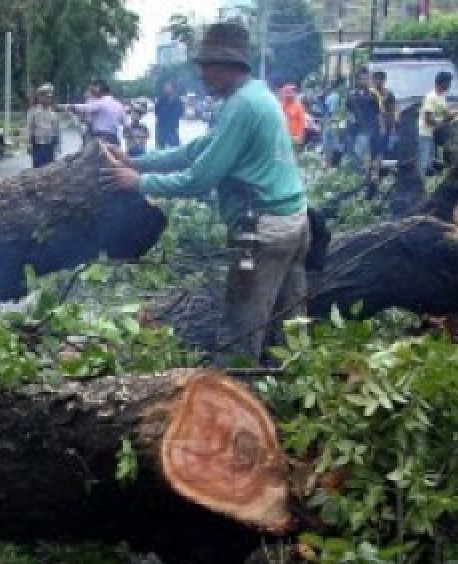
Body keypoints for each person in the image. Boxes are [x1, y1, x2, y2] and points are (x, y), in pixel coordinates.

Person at [100, 23, 309, 368]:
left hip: (262, 230)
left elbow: (199, 178)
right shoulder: (253, 96)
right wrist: (134, 162)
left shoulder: (243, 106)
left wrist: (138, 182)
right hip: (293, 222)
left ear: (230, 66)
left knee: (241, 328)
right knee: (289, 324)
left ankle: (232, 404)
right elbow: (195, 150)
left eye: (207, 66)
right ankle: (291, 393)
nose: (202, 74)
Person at [61, 80, 125, 147]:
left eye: (93, 89)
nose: (92, 92)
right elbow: (124, 123)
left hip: (100, 138)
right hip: (114, 138)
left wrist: (67, 106)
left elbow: (85, 108)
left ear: (98, 89)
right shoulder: (119, 104)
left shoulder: (100, 103)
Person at [346, 67, 380, 173]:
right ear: (358, 80)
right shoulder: (351, 95)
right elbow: (347, 112)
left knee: (367, 158)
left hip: (369, 131)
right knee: (355, 156)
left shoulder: (373, 95)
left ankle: (365, 179)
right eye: (363, 78)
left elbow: (378, 113)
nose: (366, 81)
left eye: (367, 78)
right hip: (354, 131)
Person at [419, 71, 453, 176]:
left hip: (434, 134)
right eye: (448, 82)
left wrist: (455, 115)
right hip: (425, 133)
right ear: (442, 82)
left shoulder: (441, 96)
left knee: (432, 163)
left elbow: (446, 113)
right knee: (424, 163)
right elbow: (427, 119)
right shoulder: (431, 97)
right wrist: (442, 123)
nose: (449, 85)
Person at [26, 84, 60, 168]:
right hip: (38, 145)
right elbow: (29, 128)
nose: (49, 99)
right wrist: (28, 144)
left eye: (50, 97)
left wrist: (58, 146)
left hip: (50, 145)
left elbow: (56, 131)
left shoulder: (53, 113)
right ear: (40, 98)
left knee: (50, 168)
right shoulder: (33, 112)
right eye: (46, 97)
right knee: (38, 168)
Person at [154, 79, 185, 149]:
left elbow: (180, 113)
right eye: (165, 86)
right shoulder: (161, 100)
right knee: (159, 149)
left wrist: (172, 120)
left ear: (173, 88)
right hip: (161, 128)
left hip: (172, 129)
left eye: (167, 86)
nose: (165, 88)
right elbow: (156, 112)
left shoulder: (178, 101)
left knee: (175, 149)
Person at [372, 71, 397, 157]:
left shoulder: (389, 94)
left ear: (384, 80)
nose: (379, 81)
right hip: (374, 127)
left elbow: (393, 111)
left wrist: (393, 127)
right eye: (377, 78)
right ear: (373, 80)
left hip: (387, 126)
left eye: (381, 79)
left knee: (385, 149)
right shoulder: (370, 94)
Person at [321, 76, 344, 167]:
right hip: (335, 125)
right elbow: (332, 113)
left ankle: (328, 166)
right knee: (338, 146)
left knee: (328, 147)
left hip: (328, 124)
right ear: (340, 85)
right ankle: (335, 166)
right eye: (344, 85)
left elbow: (326, 112)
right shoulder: (337, 97)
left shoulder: (329, 97)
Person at [279, 84, 307, 149]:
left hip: (294, 137)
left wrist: (299, 136)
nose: (293, 94)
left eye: (293, 92)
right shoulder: (281, 105)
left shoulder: (298, 106)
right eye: (290, 92)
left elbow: (302, 122)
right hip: (282, 136)